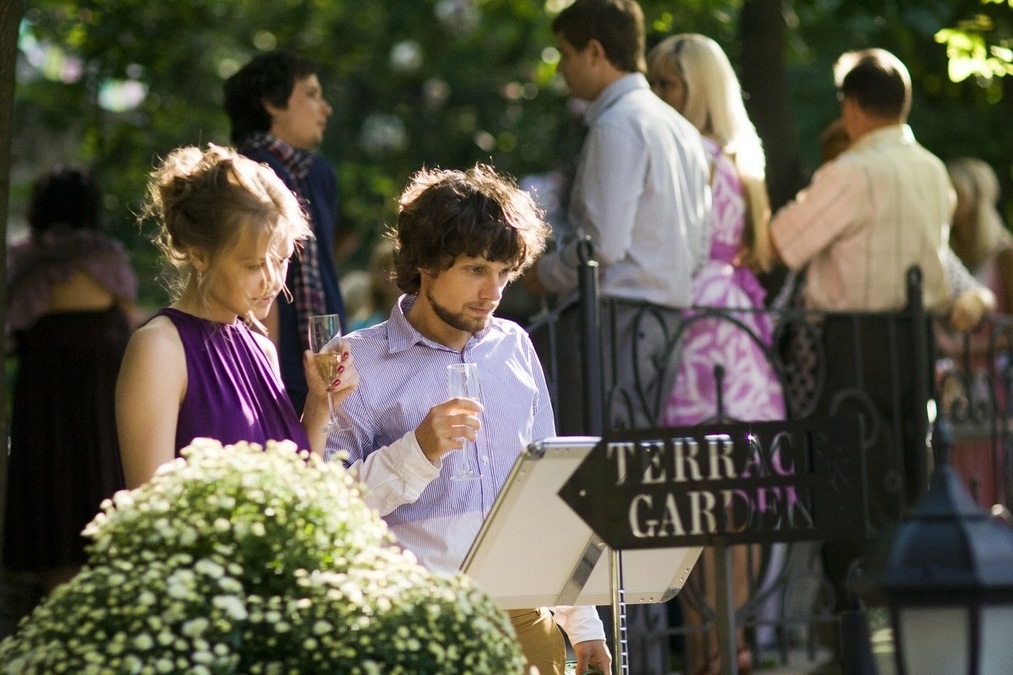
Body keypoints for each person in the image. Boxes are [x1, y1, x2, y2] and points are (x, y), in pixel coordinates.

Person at [330, 164, 611, 675]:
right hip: (416, 624)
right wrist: (415, 452)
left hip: (526, 621)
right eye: (476, 269)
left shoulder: (514, 346)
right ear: (425, 262)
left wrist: (584, 622)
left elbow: (549, 491)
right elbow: (328, 508)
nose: (493, 292)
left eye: (504, 272)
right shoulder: (357, 362)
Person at [768, 49, 992, 622]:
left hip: (853, 344)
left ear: (851, 106)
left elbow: (784, 240)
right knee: (908, 478)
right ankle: (911, 616)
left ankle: (858, 626)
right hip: (914, 340)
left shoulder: (853, 170)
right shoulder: (933, 169)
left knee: (848, 489)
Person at [647, 33, 785, 675]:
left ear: (697, 89)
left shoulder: (689, 152)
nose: (657, 94)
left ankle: (707, 652)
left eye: (668, 83)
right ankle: (736, 644)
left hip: (696, 323)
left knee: (695, 492)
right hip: (740, 325)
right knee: (740, 496)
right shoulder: (738, 156)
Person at [116, 144, 357, 489]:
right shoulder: (159, 348)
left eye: (282, 260)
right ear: (199, 255)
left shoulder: (262, 349)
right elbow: (148, 504)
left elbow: (296, 490)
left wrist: (320, 405)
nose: (273, 281)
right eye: (255, 265)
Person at [524, 0, 712, 434]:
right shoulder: (682, 129)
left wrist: (545, 274)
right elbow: (699, 248)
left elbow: (601, 246)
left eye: (565, 54)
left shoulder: (618, 124)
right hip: (667, 319)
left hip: (613, 320)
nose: (561, 68)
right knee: (636, 452)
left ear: (595, 52)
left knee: (598, 453)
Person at [3, 166, 138, 595]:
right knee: (98, 469)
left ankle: (52, 589)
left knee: (49, 475)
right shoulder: (106, 257)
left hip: (43, 391)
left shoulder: (25, 260)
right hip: (98, 387)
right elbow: (128, 316)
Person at [224, 49, 347, 414]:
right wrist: (266, 370)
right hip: (270, 356)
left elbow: (324, 271)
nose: (326, 108)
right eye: (311, 94)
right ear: (272, 104)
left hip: (327, 355)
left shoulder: (319, 174)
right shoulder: (241, 172)